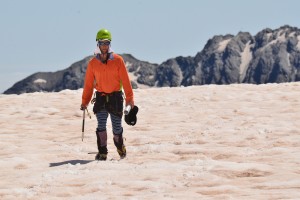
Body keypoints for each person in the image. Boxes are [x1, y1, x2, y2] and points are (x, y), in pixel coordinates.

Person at [81, 29, 134, 161]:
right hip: (100, 98)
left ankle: (120, 147)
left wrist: (130, 99)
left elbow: (126, 82)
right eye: (101, 43)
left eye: (107, 43)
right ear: (97, 44)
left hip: (116, 98)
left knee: (116, 128)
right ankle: (102, 152)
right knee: (101, 125)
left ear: (110, 44)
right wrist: (84, 101)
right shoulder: (92, 64)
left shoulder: (118, 60)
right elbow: (88, 85)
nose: (104, 46)